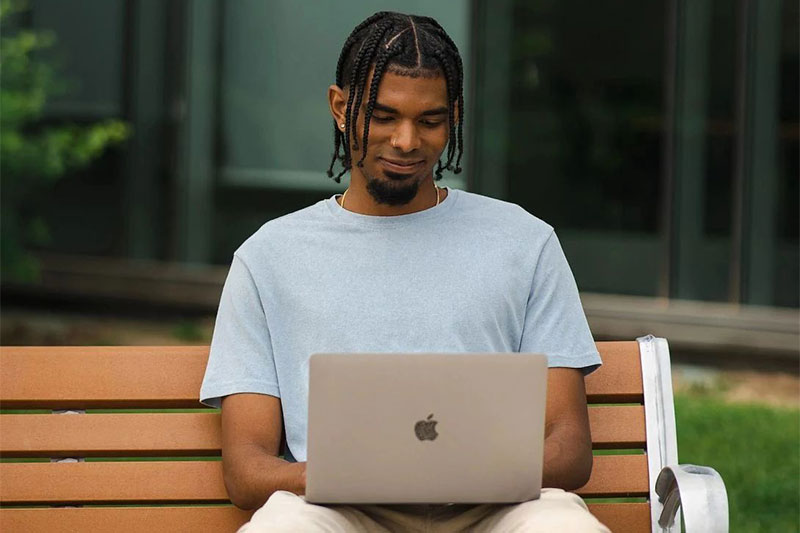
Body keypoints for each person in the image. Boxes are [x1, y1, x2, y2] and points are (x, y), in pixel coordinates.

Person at [200, 11, 611, 532]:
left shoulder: (524, 242)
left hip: (498, 506)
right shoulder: (269, 257)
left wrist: (458, 472)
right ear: (340, 107)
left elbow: (569, 448)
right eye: (383, 116)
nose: (406, 141)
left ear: (454, 117)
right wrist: (363, 475)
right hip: (336, 509)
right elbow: (247, 470)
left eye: (431, 120)